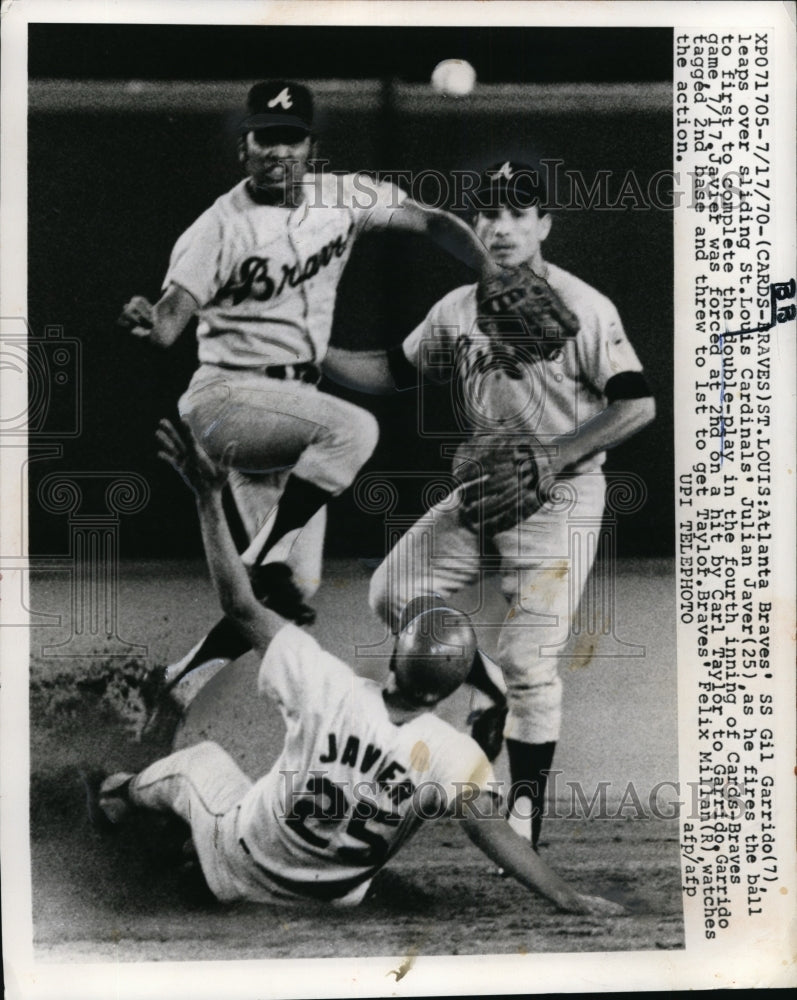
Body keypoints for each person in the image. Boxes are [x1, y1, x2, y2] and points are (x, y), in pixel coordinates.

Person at [92, 418, 622, 916]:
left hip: (238, 867)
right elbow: (493, 833)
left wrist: (208, 497)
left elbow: (239, 603)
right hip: (335, 899)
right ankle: (197, 845)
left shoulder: (326, 684)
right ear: (452, 690)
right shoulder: (451, 753)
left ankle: (114, 796)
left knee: (198, 763)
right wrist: (564, 894)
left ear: (396, 654)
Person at [117, 79, 501, 690]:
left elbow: (431, 222)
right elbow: (169, 320)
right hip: (226, 401)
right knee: (355, 428)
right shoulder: (219, 226)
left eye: (290, 140)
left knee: (292, 595)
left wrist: (490, 272)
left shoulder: (342, 198)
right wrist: (149, 319)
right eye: (265, 138)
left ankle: (173, 684)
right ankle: (267, 558)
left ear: (309, 147)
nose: (278, 152)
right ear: (244, 147)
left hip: (288, 417)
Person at [323, 161, 656, 849]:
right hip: (488, 487)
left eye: (516, 213)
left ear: (542, 225)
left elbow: (638, 405)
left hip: (561, 495)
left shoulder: (583, 305)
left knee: (532, 655)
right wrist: (314, 353)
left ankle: (524, 813)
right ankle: (489, 689)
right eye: (488, 214)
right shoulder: (455, 308)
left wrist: (554, 454)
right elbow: (390, 368)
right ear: (474, 226)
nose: (500, 227)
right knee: (394, 591)